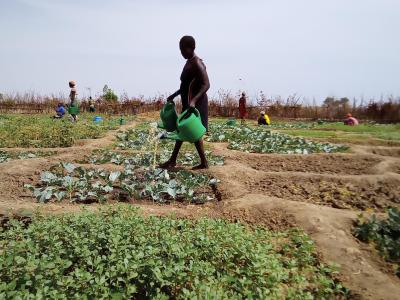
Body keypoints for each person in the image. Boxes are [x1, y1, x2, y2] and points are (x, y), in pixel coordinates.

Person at [159, 35, 210, 170]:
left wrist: (193, 101)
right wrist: (174, 95)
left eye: (183, 49)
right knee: (182, 129)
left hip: (197, 101)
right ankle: (174, 160)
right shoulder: (188, 62)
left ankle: (199, 162)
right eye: (180, 50)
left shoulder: (197, 63)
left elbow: (206, 85)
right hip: (188, 100)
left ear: (191, 48)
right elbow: (185, 85)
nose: (181, 52)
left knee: (193, 130)